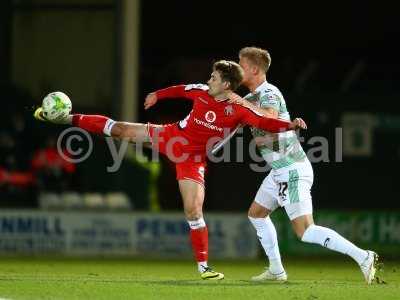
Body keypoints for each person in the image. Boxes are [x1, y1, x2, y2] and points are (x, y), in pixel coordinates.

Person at [34, 60, 307, 280]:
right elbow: (179, 89)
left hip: (193, 158)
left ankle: (203, 268)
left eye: (213, 77)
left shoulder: (239, 108)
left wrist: (290, 125)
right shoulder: (202, 90)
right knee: (119, 129)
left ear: (225, 84)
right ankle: (66, 118)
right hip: (171, 136)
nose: (208, 79)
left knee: (193, 210)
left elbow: (265, 121)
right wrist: (157, 95)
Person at [227, 47, 378, 284]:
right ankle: (276, 271)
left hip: (292, 170)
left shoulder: (269, 93)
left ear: (254, 69)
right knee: (256, 214)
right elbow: (233, 119)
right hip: (279, 171)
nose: (237, 68)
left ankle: (363, 256)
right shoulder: (248, 99)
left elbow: (272, 117)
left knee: (306, 231)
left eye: (241, 64)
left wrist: (242, 108)